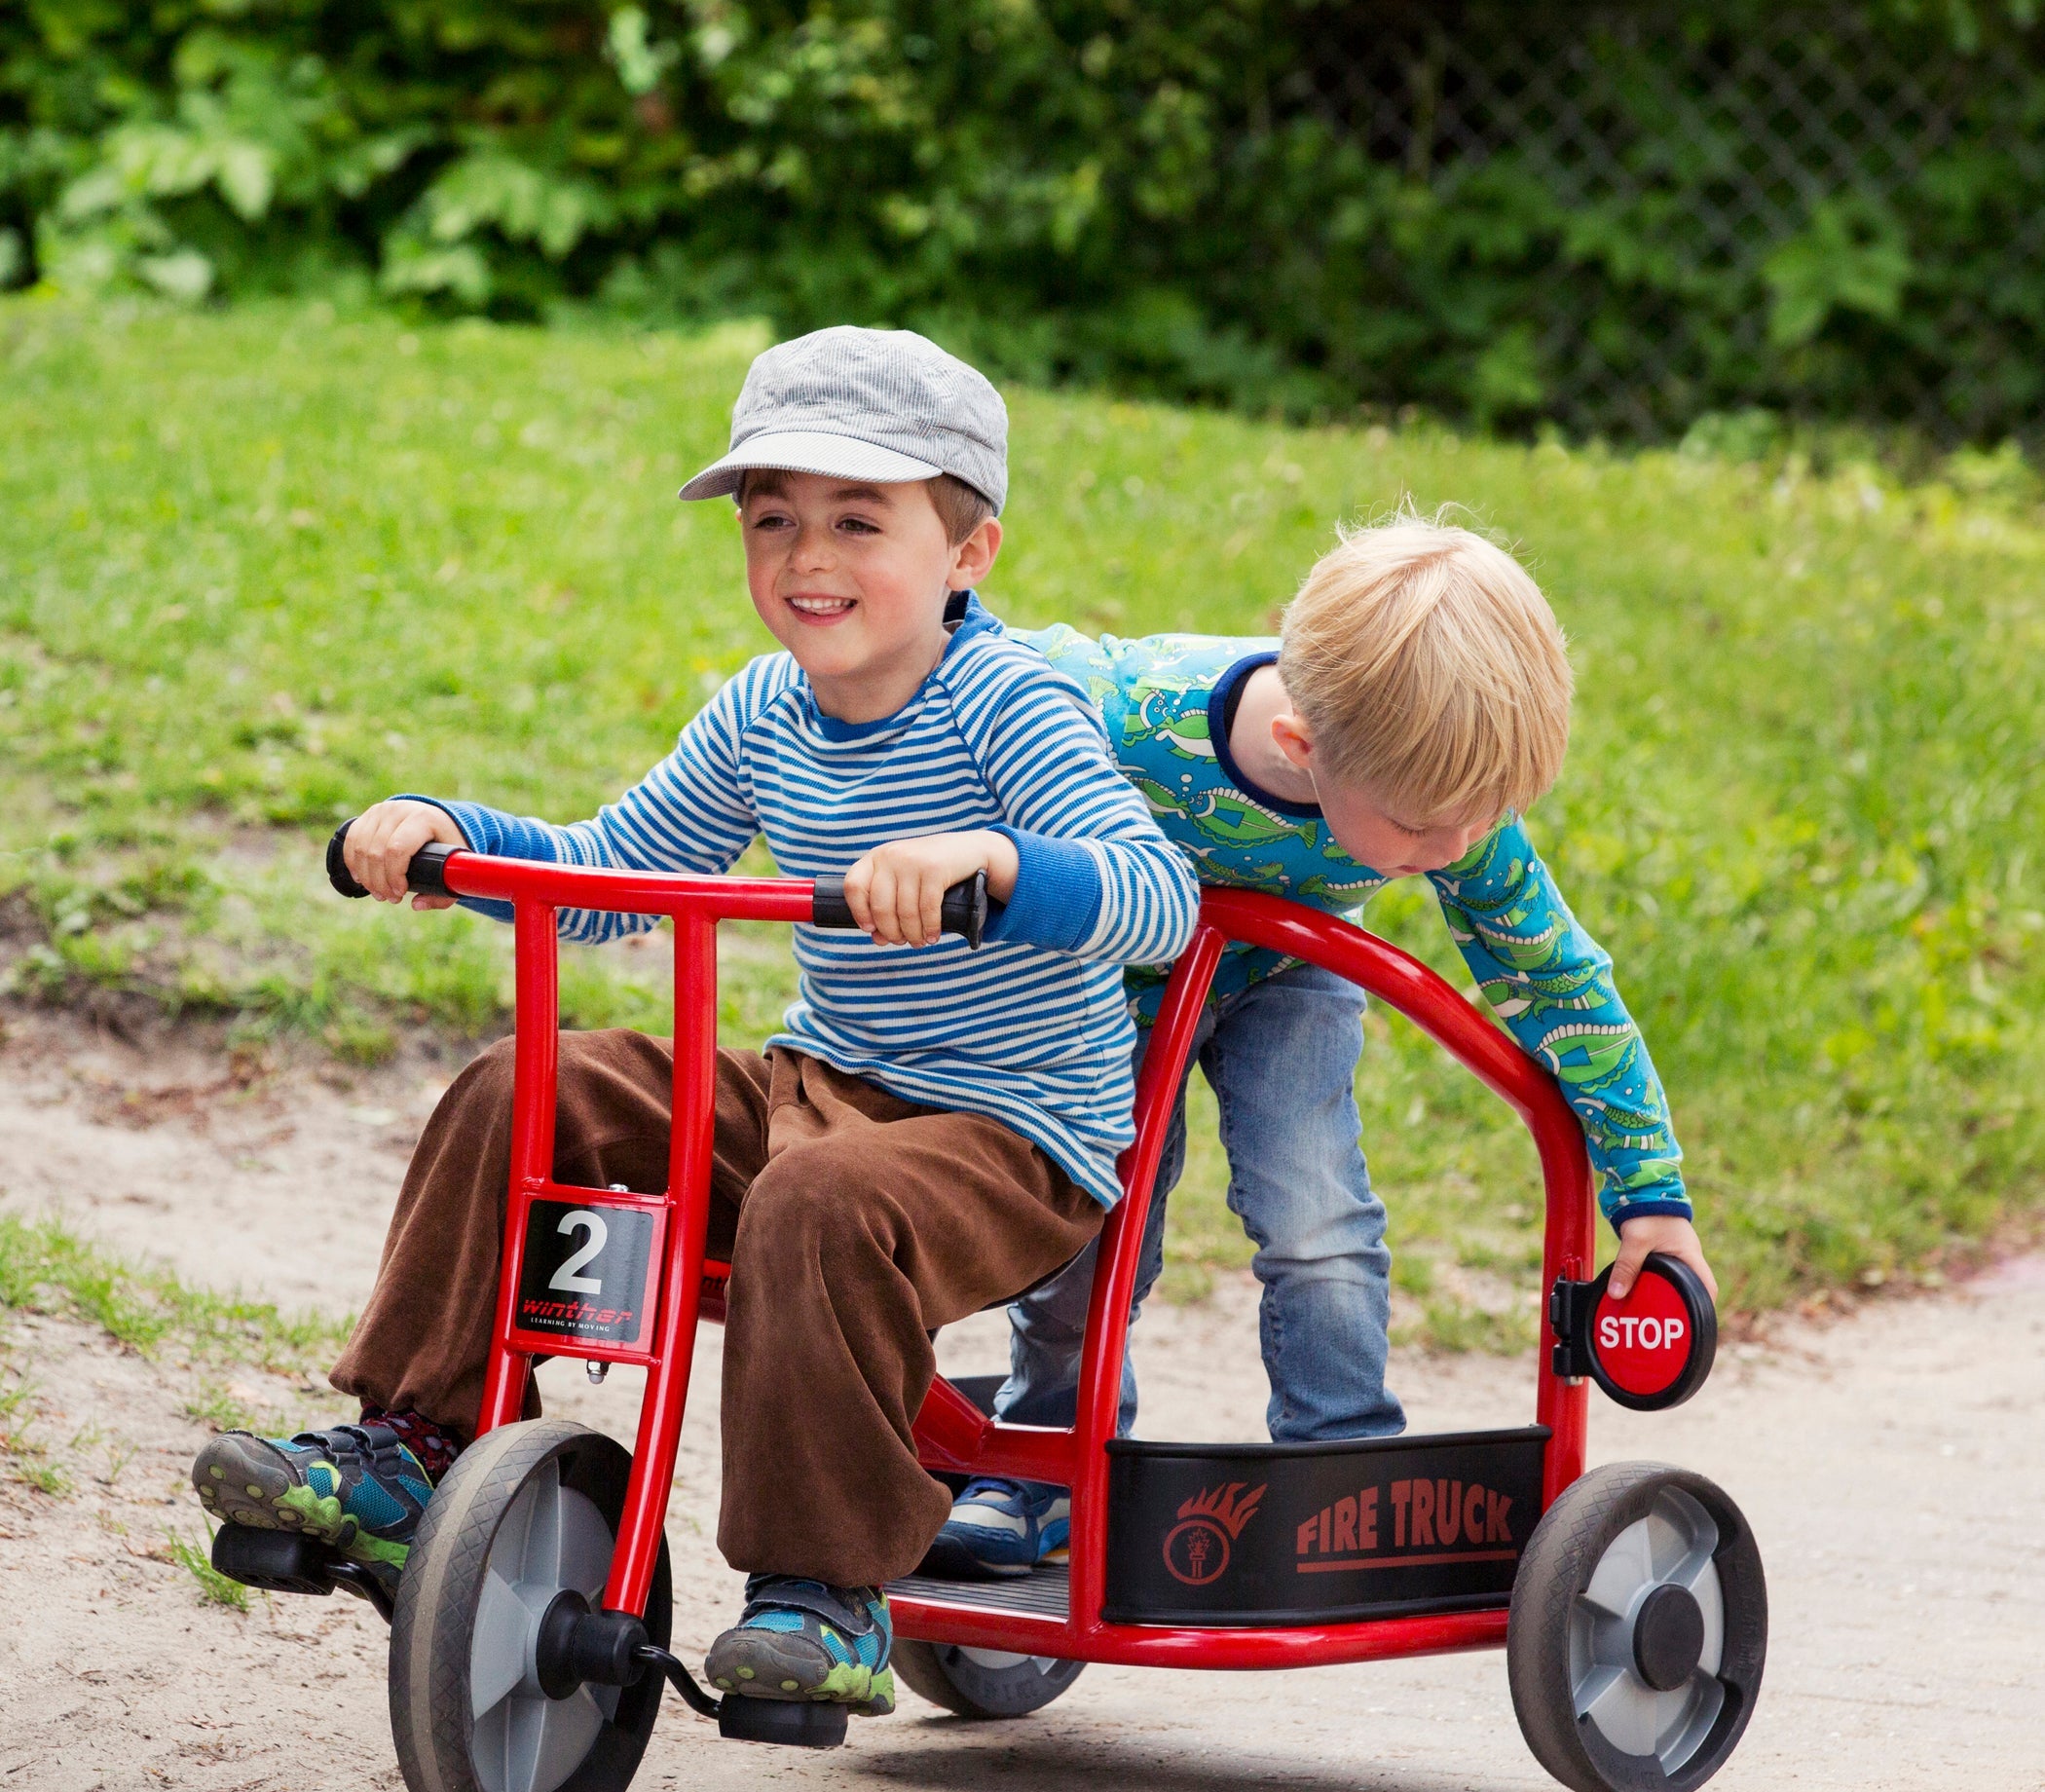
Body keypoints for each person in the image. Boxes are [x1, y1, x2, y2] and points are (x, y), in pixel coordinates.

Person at [188, 326, 1200, 1715]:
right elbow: (610, 874)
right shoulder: (764, 711)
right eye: (771, 520)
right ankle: (416, 1444)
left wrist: (996, 865)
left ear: (969, 553)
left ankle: (825, 1593)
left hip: (1011, 1140)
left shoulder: (1010, 705)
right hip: (819, 1089)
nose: (806, 558)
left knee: (819, 1201)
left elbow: (1158, 898)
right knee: (527, 1083)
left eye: (860, 520)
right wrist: (451, 834)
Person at [923, 516, 1714, 1580]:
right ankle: (1044, 1456)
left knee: (1317, 1216)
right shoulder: (1118, 716)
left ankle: (1345, 1465)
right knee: (1095, 1225)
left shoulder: (1443, 793)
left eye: (1488, 816)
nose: (1458, 850)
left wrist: (1651, 1193)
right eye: (1429, 827)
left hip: (1287, 975)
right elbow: (977, 659)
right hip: (1106, 989)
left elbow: (1559, 980)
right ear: (1302, 747)